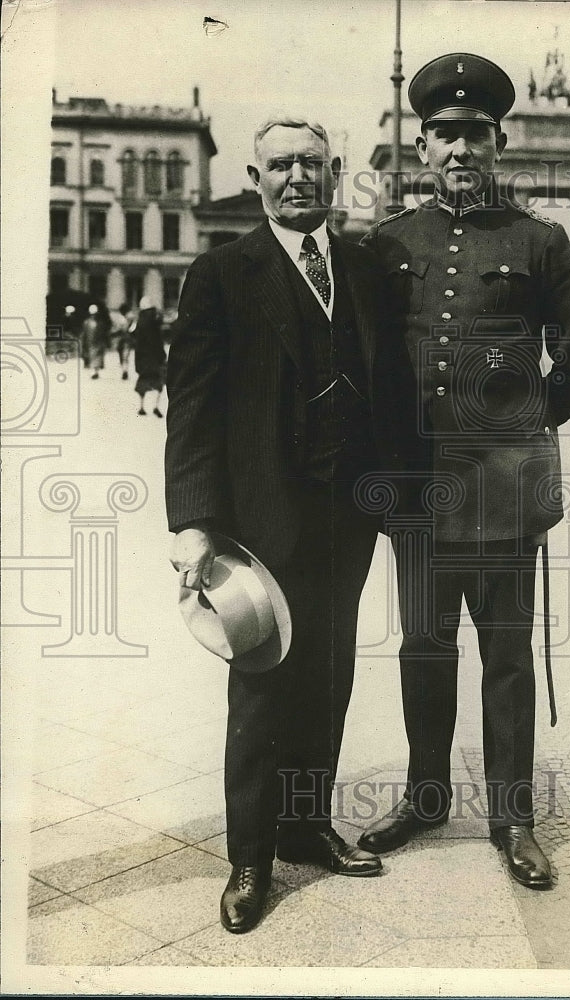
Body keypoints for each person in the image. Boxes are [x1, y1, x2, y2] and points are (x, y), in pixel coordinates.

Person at [356, 53, 570, 889]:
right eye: (443, 135)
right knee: (424, 647)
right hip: (417, 487)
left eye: (475, 134)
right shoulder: (388, 243)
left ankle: (512, 817)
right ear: (419, 145)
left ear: (497, 143)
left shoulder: (538, 240)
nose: (459, 149)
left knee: (504, 654)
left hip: (500, 486)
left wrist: (522, 428)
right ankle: (426, 796)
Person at [165, 115, 407, 934]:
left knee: (330, 673)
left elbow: (395, 388)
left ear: (334, 173)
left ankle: (307, 824)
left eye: (311, 162)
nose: (297, 176)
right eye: (281, 165)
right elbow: (192, 407)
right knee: (264, 685)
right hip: (262, 518)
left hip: (351, 515)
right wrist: (194, 522)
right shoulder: (222, 274)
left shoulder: (369, 271)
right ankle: (248, 859)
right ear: (255, 176)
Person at [133, 296, 166, 416]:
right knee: (158, 381)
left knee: (142, 382)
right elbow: (158, 340)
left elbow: (137, 341)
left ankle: (141, 407)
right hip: (155, 357)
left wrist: (137, 361)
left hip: (143, 357)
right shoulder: (155, 320)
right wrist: (162, 355)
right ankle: (156, 406)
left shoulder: (140, 321)